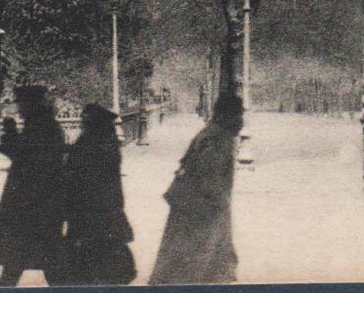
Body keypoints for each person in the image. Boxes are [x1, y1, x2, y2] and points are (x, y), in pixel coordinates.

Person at [148, 91, 241, 285]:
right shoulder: (218, 138)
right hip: (201, 214)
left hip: (197, 210)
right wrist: (218, 203)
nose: (242, 120)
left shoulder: (212, 133)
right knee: (195, 267)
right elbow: (208, 176)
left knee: (193, 264)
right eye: (238, 114)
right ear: (228, 114)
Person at [0, 85, 67, 287]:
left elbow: (25, 157)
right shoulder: (44, 125)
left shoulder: (41, 127)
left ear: (32, 104)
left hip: (31, 204)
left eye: (22, 103)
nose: (19, 108)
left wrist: (10, 133)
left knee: (21, 260)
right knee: (41, 260)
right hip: (40, 203)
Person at [56, 104, 137, 287]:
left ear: (95, 124)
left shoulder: (94, 144)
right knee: (104, 249)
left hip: (91, 209)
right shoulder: (105, 143)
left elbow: (78, 170)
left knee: (92, 253)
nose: (82, 124)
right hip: (102, 208)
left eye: (86, 121)